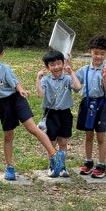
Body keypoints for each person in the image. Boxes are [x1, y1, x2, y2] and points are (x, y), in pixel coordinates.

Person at [0, 37, 66, 180]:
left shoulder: (5, 69)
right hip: (3, 104)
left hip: (17, 99)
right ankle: (9, 167)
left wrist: (22, 90)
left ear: (1, 54)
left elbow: (15, 84)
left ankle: (54, 155)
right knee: (8, 136)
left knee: (32, 128)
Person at [75, 34, 106, 178]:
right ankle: (88, 162)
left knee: (101, 137)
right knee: (88, 135)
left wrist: (104, 77)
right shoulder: (84, 70)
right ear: (90, 52)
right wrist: (68, 69)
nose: (98, 56)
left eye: (102, 53)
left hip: (101, 105)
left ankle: (101, 165)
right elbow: (75, 85)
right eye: (96, 53)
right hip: (87, 104)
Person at [35, 49, 81, 178]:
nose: (56, 67)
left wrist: (71, 72)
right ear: (47, 67)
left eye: (59, 63)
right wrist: (38, 79)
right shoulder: (46, 80)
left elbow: (77, 87)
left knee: (63, 141)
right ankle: (52, 165)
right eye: (52, 64)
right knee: (52, 142)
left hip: (65, 114)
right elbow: (40, 94)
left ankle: (62, 166)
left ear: (63, 63)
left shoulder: (67, 79)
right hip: (51, 114)